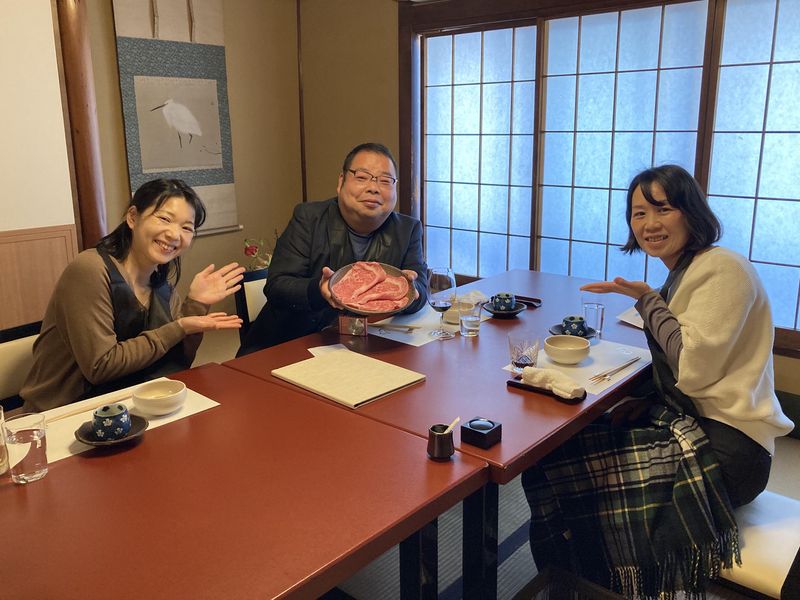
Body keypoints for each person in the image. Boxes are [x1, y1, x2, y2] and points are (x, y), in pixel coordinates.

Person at [522, 165, 794, 598]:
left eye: (663, 209)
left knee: (568, 474)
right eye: (638, 213)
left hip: (731, 451)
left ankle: (593, 583)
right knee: (557, 452)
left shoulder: (722, 268)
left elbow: (693, 368)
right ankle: (578, 583)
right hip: (698, 426)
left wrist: (648, 299)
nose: (649, 223)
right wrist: (648, 401)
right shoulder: (688, 270)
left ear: (691, 211)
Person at [20, 179, 244, 412]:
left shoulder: (162, 285)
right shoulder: (90, 269)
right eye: (164, 219)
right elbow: (101, 366)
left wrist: (197, 304)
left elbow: (176, 363)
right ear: (133, 217)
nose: (174, 234)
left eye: (187, 228)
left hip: (127, 406)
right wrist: (180, 327)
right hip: (63, 413)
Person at [238, 142, 428, 354]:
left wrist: (411, 291)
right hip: (289, 344)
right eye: (362, 177)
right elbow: (277, 286)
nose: (373, 188)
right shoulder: (309, 219)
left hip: (361, 347)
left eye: (385, 181)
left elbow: (421, 288)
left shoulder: (407, 229)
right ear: (341, 182)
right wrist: (318, 290)